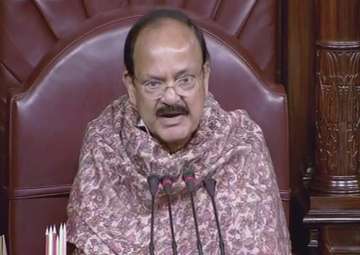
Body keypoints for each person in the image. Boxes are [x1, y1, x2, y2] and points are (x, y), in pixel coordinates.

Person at [67, 8, 291, 255]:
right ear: (131, 87)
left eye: (185, 80)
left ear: (205, 77)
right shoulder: (105, 144)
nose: (171, 97)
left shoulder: (241, 145)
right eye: (154, 83)